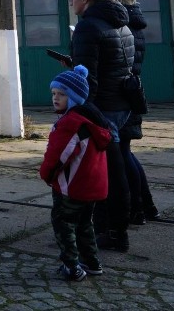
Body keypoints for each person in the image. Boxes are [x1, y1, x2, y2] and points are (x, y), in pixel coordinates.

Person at [69, 0, 133, 252]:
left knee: (108, 172)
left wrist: (84, 112)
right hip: (121, 103)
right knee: (114, 168)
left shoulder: (87, 27)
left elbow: (88, 79)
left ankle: (114, 231)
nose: (70, 2)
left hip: (102, 108)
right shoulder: (122, 23)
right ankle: (111, 228)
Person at [40, 65, 112, 281]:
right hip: (91, 185)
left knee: (63, 224)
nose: (56, 98)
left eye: (62, 94)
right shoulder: (93, 119)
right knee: (84, 224)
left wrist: (47, 174)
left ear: (74, 97)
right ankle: (92, 262)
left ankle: (72, 266)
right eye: (54, 93)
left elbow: (59, 155)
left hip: (71, 186)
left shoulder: (71, 123)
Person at [103, 0, 160, 224]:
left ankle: (137, 209)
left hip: (120, 96)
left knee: (123, 155)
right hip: (130, 93)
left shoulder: (121, 23)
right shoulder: (135, 21)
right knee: (126, 153)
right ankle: (146, 206)